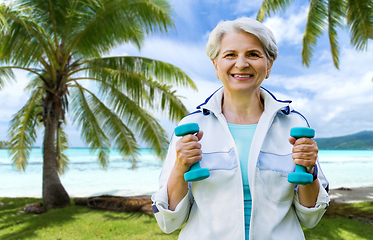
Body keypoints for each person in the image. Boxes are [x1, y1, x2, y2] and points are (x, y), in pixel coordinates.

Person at [151, 17, 330, 240]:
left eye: (253, 54)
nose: (242, 63)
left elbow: (310, 218)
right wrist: (179, 167)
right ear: (216, 65)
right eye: (230, 55)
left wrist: (310, 170)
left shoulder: (295, 126)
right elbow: (169, 221)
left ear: (269, 65)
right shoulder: (189, 128)